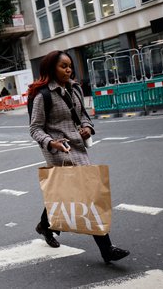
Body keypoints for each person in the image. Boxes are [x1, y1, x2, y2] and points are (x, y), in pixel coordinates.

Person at [28, 50, 130, 264]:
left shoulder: (74, 88)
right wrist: (51, 142)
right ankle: (107, 249)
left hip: (78, 146)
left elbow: (83, 114)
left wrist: (87, 127)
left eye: (70, 66)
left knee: (65, 194)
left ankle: (44, 226)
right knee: (87, 195)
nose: (68, 69)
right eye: (63, 66)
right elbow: (35, 129)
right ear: (50, 68)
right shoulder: (43, 95)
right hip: (59, 151)